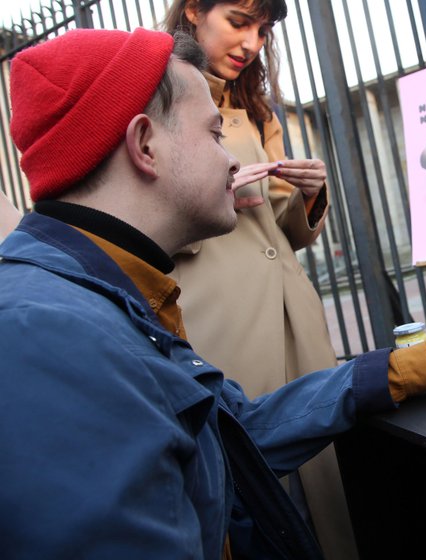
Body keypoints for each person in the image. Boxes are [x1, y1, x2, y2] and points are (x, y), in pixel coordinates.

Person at [0, 28, 426, 559]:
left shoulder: (103, 296)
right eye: (214, 134)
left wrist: (416, 366)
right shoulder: (45, 334)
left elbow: (236, 431)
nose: (232, 162)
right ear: (146, 144)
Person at [161, 1, 350, 555]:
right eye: (240, 22)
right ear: (194, 10)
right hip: (220, 319)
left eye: (263, 30)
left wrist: (309, 195)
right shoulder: (151, 89)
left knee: (327, 490)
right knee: (251, 494)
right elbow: (138, 220)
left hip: (293, 314)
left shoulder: (254, 109)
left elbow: (279, 234)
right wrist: (211, 194)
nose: (252, 43)